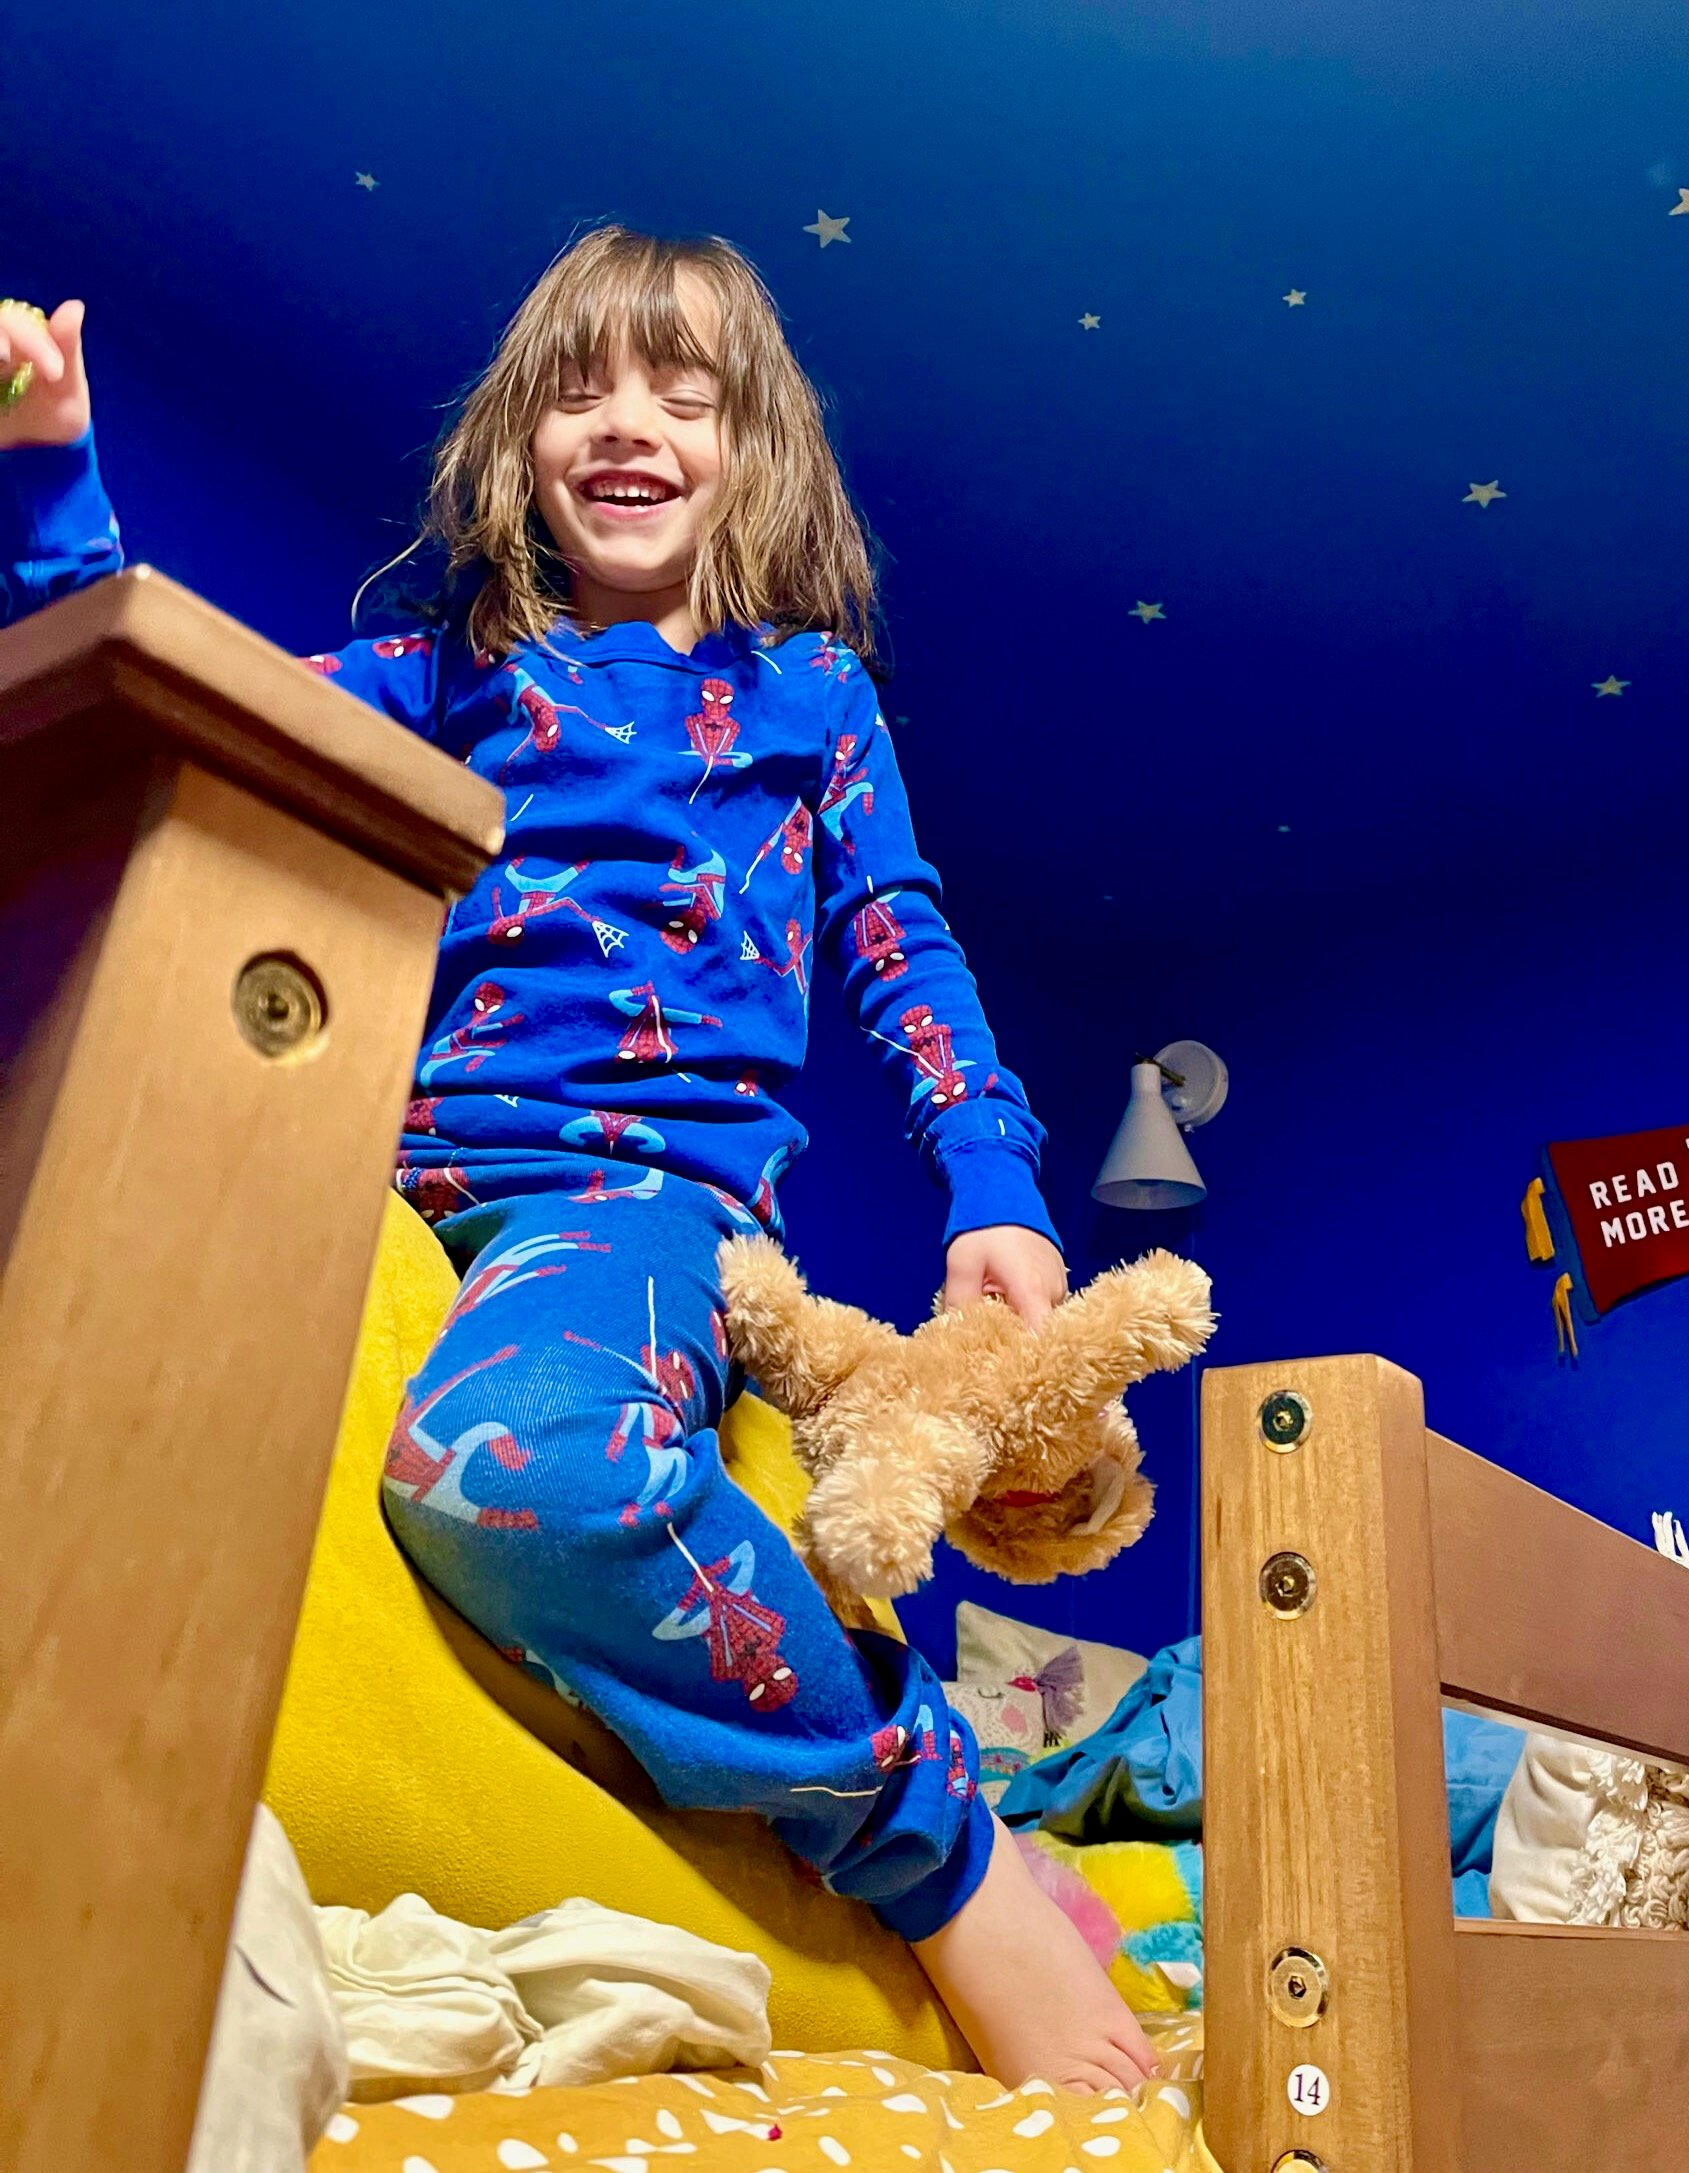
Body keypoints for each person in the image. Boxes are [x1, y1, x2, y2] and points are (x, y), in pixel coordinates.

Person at [0, 232, 1159, 2093]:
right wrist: (52, 471)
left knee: (520, 1466)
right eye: (580, 388)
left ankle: (942, 1839)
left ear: (752, 448)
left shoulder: (809, 698)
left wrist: (995, 1184)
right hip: (379, 1178)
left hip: (631, 1208)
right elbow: (188, 712)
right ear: (517, 438)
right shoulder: (447, 672)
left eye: (683, 395)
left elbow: (901, 946)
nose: (629, 425)